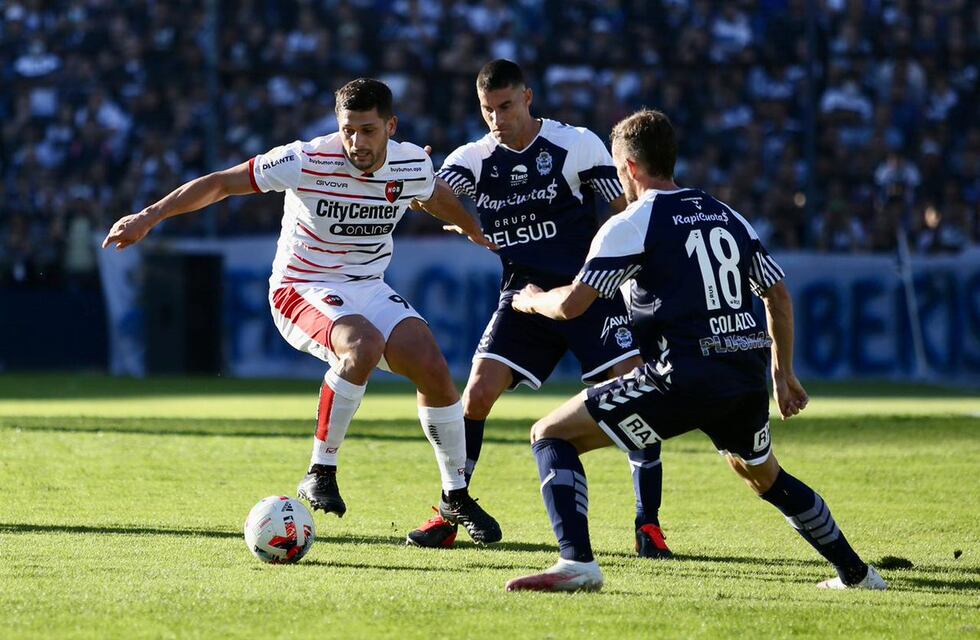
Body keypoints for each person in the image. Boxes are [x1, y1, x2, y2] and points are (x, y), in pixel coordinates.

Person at [102, 78, 502, 544]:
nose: (357, 141)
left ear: (391, 127)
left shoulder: (412, 162)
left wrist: (472, 227)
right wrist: (148, 216)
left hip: (367, 285)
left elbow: (435, 196)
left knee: (433, 366)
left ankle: (454, 495)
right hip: (301, 286)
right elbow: (221, 184)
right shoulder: (305, 158)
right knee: (363, 346)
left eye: (369, 130)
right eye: (349, 129)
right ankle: (320, 471)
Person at [504, 109, 887, 592]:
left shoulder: (633, 222)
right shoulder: (726, 214)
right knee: (763, 475)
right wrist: (782, 373)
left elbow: (574, 306)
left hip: (682, 375)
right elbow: (778, 295)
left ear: (629, 168)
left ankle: (577, 564)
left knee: (550, 434)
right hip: (744, 372)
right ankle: (857, 574)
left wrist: (532, 300)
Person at [407, 59, 671, 558]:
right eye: (488, 110)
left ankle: (649, 524)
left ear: (528, 98)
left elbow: (625, 209)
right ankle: (450, 510)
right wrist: (422, 184)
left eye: (506, 106)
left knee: (634, 390)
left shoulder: (577, 144)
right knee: (476, 395)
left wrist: (637, 267)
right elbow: (438, 193)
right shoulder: (475, 157)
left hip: (588, 292)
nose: (497, 118)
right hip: (524, 297)